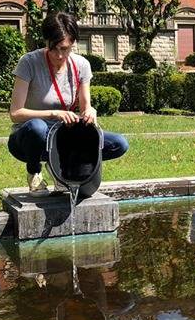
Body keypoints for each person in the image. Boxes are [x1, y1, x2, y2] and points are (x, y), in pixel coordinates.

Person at [8, 11, 128, 194]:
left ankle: (62, 170)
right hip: (29, 140)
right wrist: (53, 114)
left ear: (73, 43)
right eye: (53, 48)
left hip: (65, 137)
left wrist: (90, 112)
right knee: (37, 128)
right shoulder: (29, 63)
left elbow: (86, 106)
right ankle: (34, 172)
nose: (58, 55)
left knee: (119, 143)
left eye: (64, 48)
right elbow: (15, 114)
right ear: (46, 42)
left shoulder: (81, 65)